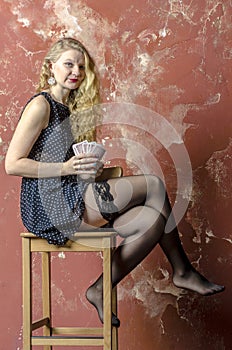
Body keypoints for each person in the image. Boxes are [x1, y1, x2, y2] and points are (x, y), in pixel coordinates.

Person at [5, 37, 224, 328]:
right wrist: (66, 167)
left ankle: (99, 287)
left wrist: (86, 171)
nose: (76, 72)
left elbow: (68, 166)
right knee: (155, 185)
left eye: (81, 67)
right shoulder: (41, 106)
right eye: (69, 64)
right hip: (49, 207)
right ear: (51, 66)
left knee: (153, 220)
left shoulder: (68, 108)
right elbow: (12, 164)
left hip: (71, 194)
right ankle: (182, 270)